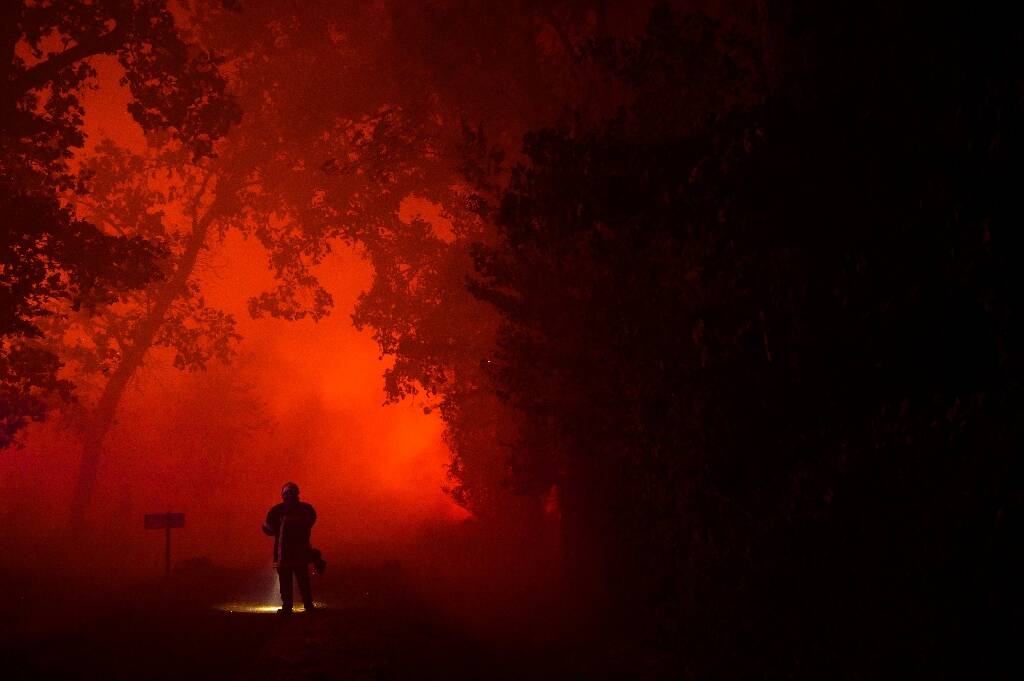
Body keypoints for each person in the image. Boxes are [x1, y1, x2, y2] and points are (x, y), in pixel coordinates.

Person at [262, 482, 318, 613]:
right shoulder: (306, 509)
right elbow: (311, 521)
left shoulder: (277, 510)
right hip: (299, 552)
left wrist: (273, 528)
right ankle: (307, 606)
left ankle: (289, 607)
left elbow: (269, 528)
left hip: (284, 554)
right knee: (302, 580)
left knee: (287, 582)